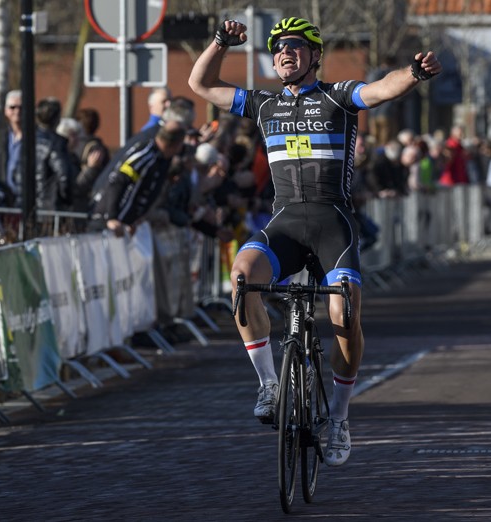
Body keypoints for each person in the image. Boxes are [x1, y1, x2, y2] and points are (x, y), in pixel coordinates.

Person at [189, 17, 441, 467]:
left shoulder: (337, 97)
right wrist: (221, 42)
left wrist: (415, 74)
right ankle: (269, 385)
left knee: (345, 312)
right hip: (284, 223)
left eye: (295, 47)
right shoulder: (263, 104)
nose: (285, 53)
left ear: (314, 55)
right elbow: (201, 83)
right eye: (278, 48)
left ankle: (340, 419)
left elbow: (382, 89)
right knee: (242, 278)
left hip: (333, 224)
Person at [90, 120, 187, 237]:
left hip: (125, 225)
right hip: (107, 223)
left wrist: (135, 218)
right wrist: (112, 218)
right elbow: (117, 181)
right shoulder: (144, 155)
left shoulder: (162, 159)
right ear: (176, 144)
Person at [0, 90, 23, 204]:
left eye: (21, 107)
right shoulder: (1, 136)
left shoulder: (34, 137)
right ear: (6, 111)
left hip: (25, 198)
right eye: (12, 107)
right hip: (5, 196)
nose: (17, 111)